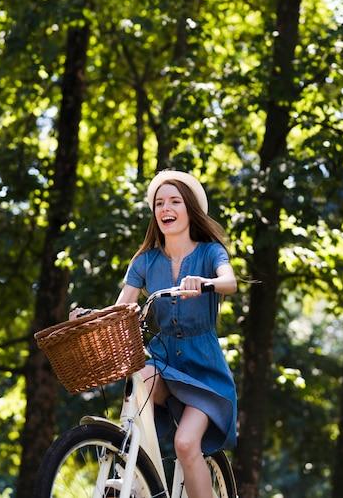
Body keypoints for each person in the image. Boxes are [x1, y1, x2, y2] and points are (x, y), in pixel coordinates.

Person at [116, 169, 237, 498]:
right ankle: (137, 476)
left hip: (204, 370)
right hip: (164, 359)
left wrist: (206, 283)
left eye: (174, 201)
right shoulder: (144, 261)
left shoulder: (210, 253)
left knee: (186, 444)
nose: (165, 208)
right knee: (137, 380)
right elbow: (121, 307)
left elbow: (230, 282)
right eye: (159, 203)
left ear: (190, 209)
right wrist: (89, 316)